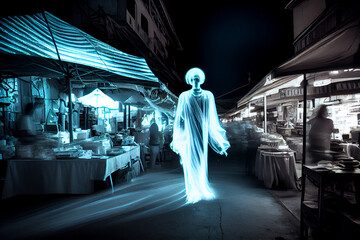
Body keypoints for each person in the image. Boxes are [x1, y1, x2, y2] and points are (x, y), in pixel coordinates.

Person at [171, 67, 230, 203]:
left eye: (197, 79)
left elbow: (212, 120)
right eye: (193, 79)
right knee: (190, 161)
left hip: (202, 134)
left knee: (201, 161)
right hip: (189, 135)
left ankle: (201, 188)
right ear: (190, 80)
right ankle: (192, 191)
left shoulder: (208, 95)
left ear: (201, 80)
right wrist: (178, 138)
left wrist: (219, 144)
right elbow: (179, 118)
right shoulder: (184, 96)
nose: (195, 81)